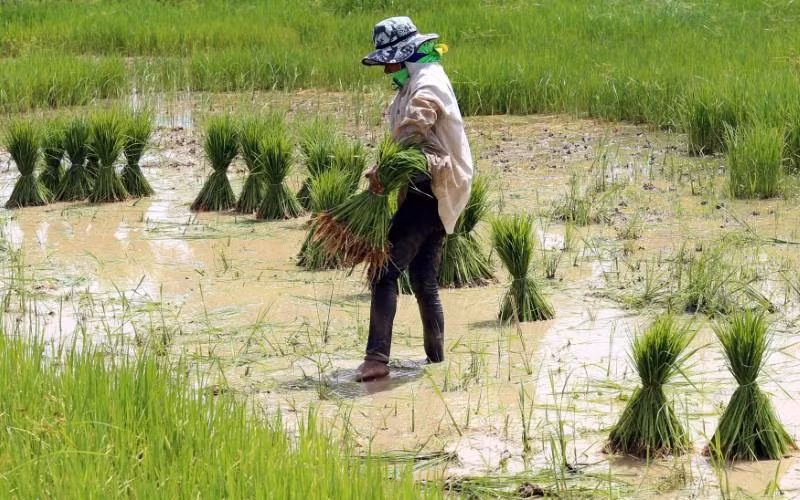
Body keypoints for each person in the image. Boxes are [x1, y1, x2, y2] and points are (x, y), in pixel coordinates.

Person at [356, 16, 473, 382]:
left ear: (404, 56)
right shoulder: (414, 82)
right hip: (431, 189)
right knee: (423, 277)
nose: (387, 69)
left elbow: (415, 126)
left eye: (390, 61)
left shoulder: (428, 82)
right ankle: (436, 360)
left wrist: (385, 171)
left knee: (383, 271)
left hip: (430, 192)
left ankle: (376, 360)